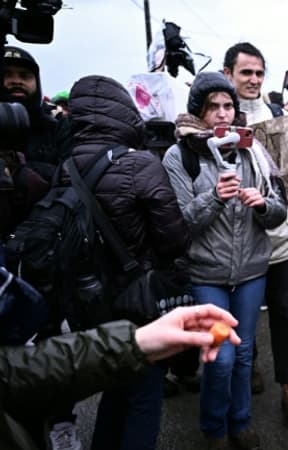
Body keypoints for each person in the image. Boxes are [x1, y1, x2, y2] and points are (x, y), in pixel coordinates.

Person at [55, 74, 191, 450]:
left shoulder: (63, 166)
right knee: (144, 397)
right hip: (139, 305)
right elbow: (175, 239)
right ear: (125, 114)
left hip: (89, 302)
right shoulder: (141, 165)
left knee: (115, 390)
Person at [162, 71, 286, 450]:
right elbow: (180, 223)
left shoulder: (253, 149)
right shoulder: (179, 155)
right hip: (207, 274)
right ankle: (214, 429)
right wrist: (215, 197)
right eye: (211, 106)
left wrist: (263, 204)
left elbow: (280, 211)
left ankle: (241, 421)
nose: (221, 113)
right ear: (198, 113)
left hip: (251, 271)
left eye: (227, 105)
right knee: (222, 357)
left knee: (245, 352)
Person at [0, 303, 241, 450]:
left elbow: (15, 369)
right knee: (139, 402)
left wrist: (136, 344)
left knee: (119, 396)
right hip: (122, 296)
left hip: (108, 306)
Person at [223, 41, 288, 420]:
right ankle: (250, 364)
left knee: (282, 312)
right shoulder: (218, 117)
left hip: (277, 236)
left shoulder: (276, 114)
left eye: (259, 73)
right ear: (228, 75)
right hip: (236, 238)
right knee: (240, 313)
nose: (254, 79)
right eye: (246, 72)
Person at [1, 46, 72, 183]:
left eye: (24, 75)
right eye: (6, 74)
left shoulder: (57, 122)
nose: (16, 81)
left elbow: (72, 175)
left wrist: (20, 168)